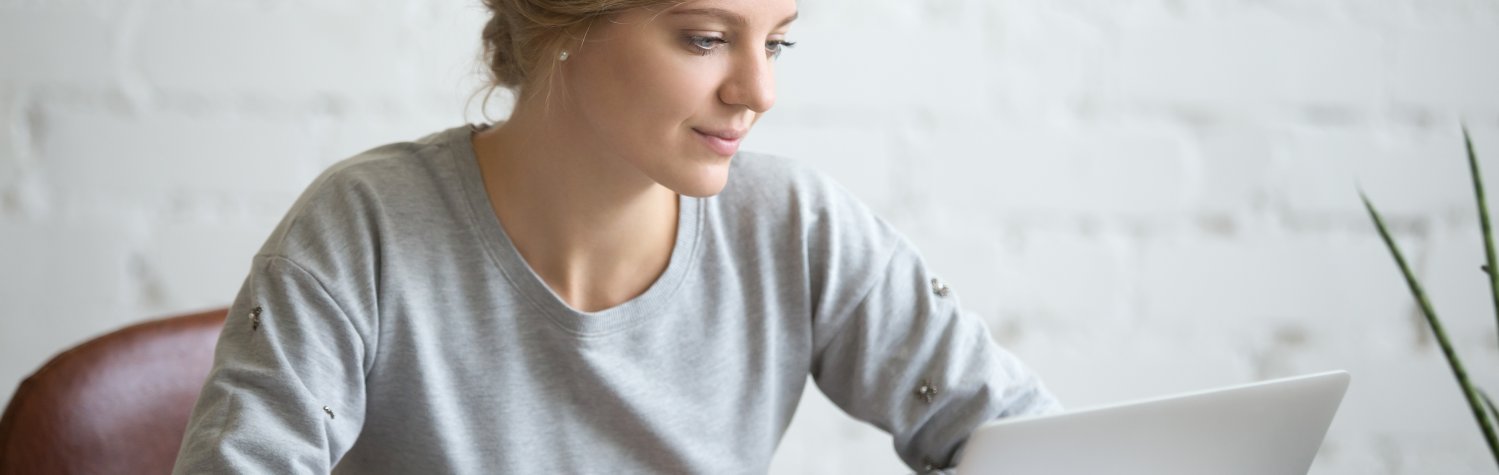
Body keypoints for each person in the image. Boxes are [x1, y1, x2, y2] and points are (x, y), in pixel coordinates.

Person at [171, 0, 1063, 473]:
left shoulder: (796, 228)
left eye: (776, 44)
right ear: (568, 26)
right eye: (706, 38)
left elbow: (1025, 440)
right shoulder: (362, 227)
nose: (758, 91)